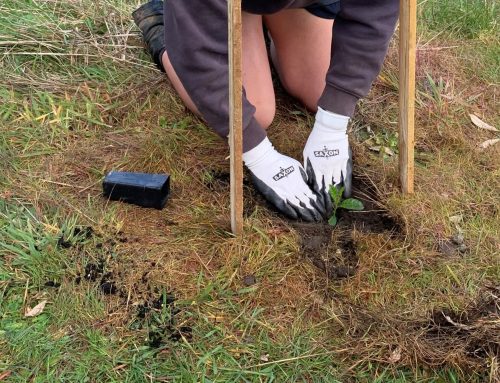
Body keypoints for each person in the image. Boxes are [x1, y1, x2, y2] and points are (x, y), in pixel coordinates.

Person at [132, 0, 399, 222]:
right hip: (208, 8)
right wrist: (256, 152)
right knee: (257, 112)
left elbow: (375, 9)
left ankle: (265, 22)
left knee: (320, 88)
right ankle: (166, 23)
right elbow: (202, 61)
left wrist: (333, 121)